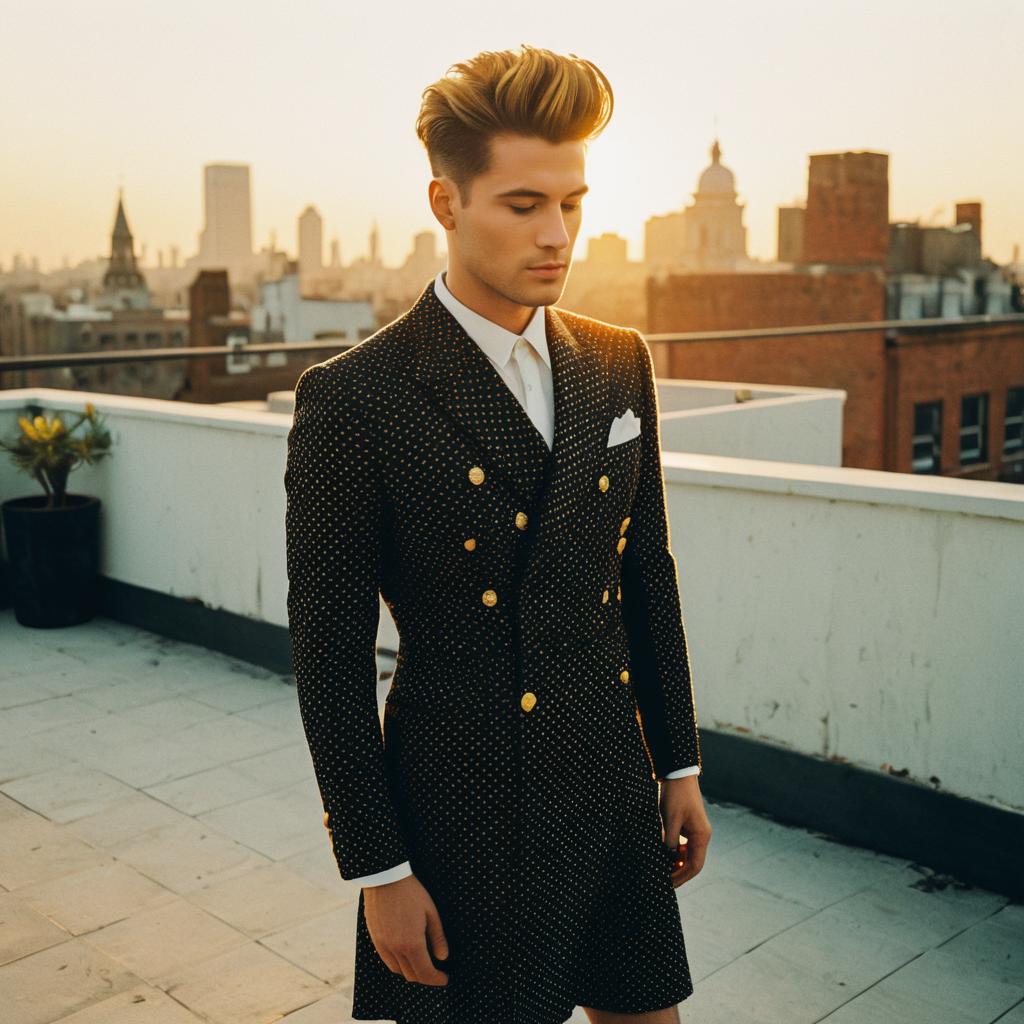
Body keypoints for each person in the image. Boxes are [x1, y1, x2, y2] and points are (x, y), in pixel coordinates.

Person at [284, 43, 712, 1024]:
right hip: (461, 801)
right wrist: (378, 864)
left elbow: (645, 573)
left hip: (607, 777)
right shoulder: (356, 398)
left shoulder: (616, 360)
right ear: (445, 203)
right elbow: (330, 659)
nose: (556, 233)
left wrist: (677, 763)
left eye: (572, 202)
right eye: (523, 206)